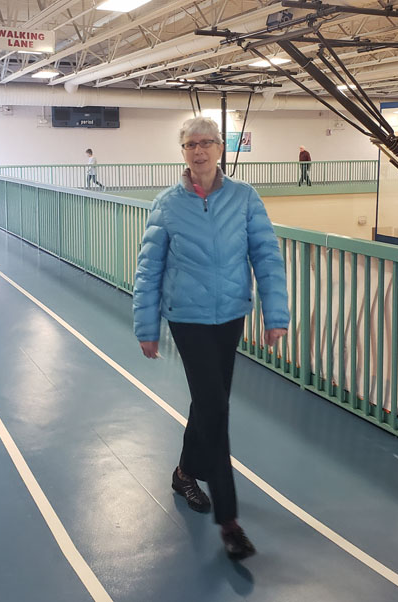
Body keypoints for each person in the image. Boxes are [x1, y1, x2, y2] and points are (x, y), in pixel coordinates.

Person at [133, 117, 289, 561]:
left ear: (221, 148)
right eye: (189, 145)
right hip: (188, 318)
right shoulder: (167, 204)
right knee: (216, 409)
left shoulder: (244, 198)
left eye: (206, 143)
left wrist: (275, 314)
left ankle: (184, 473)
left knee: (208, 401)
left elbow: (266, 255)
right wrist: (146, 326)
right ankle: (230, 522)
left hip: (230, 317)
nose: (198, 151)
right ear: (182, 152)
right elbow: (149, 271)